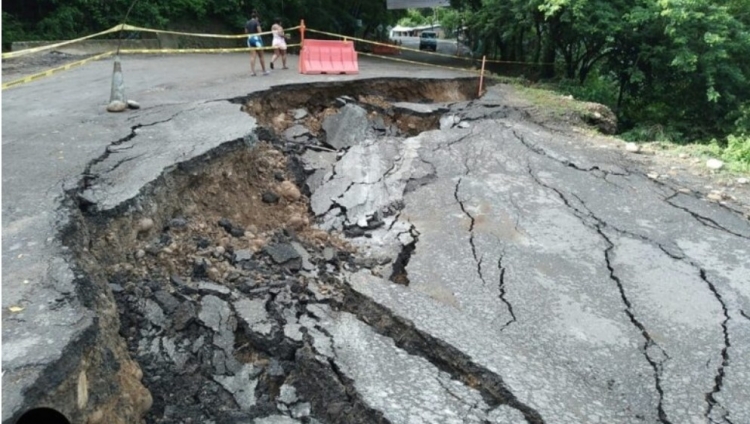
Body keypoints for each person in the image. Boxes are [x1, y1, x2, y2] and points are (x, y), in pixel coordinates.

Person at [245, 11, 269, 76]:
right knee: (261, 56)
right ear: (257, 17)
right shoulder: (256, 22)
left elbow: (246, 32)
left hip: (250, 39)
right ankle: (264, 71)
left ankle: (253, 71)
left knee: (252, 56)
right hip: (256, 39)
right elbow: (260, 31)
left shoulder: (247, 22)